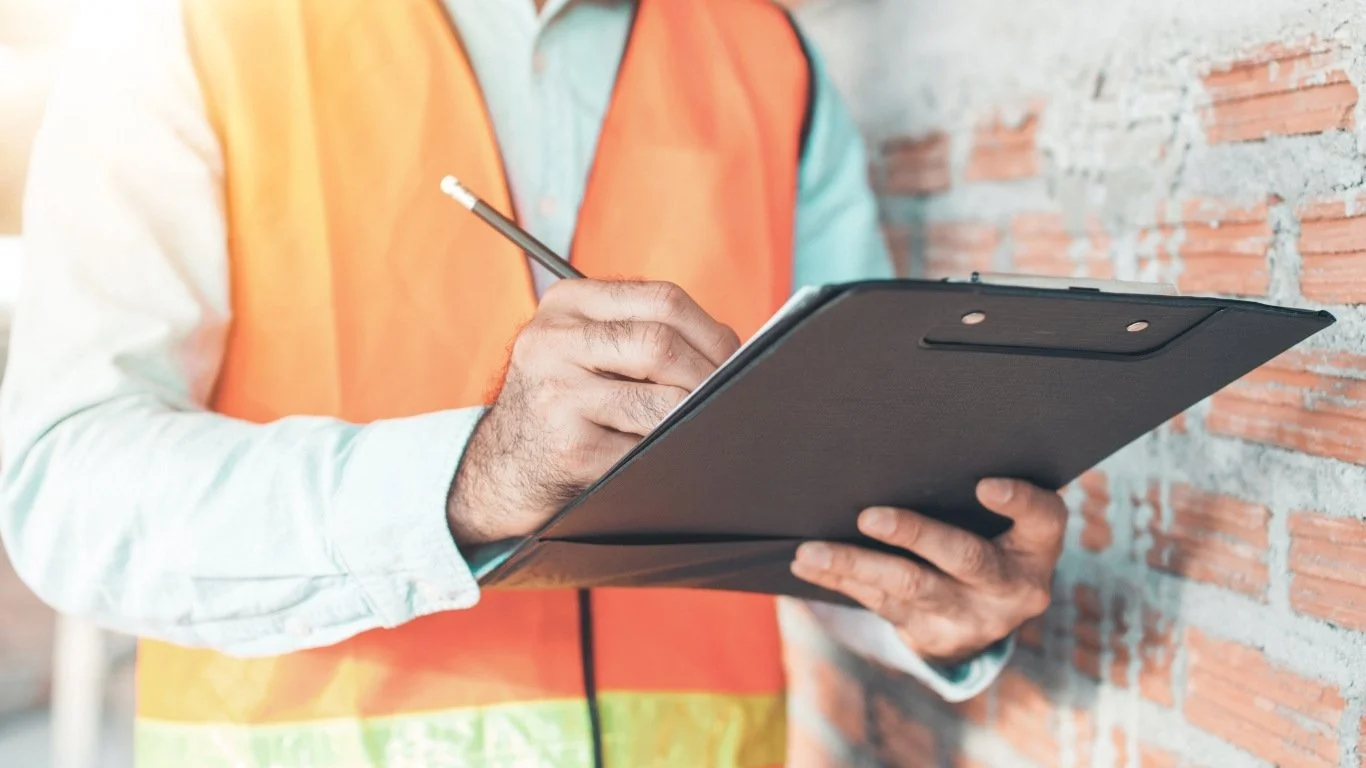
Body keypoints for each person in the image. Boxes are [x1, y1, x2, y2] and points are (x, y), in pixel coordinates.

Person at [0, 0, 1068, 765]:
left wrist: (935, 602)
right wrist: (469, 479)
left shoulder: (769, 56)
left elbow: (842, 481)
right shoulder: (185, 29)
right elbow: (66, 494)